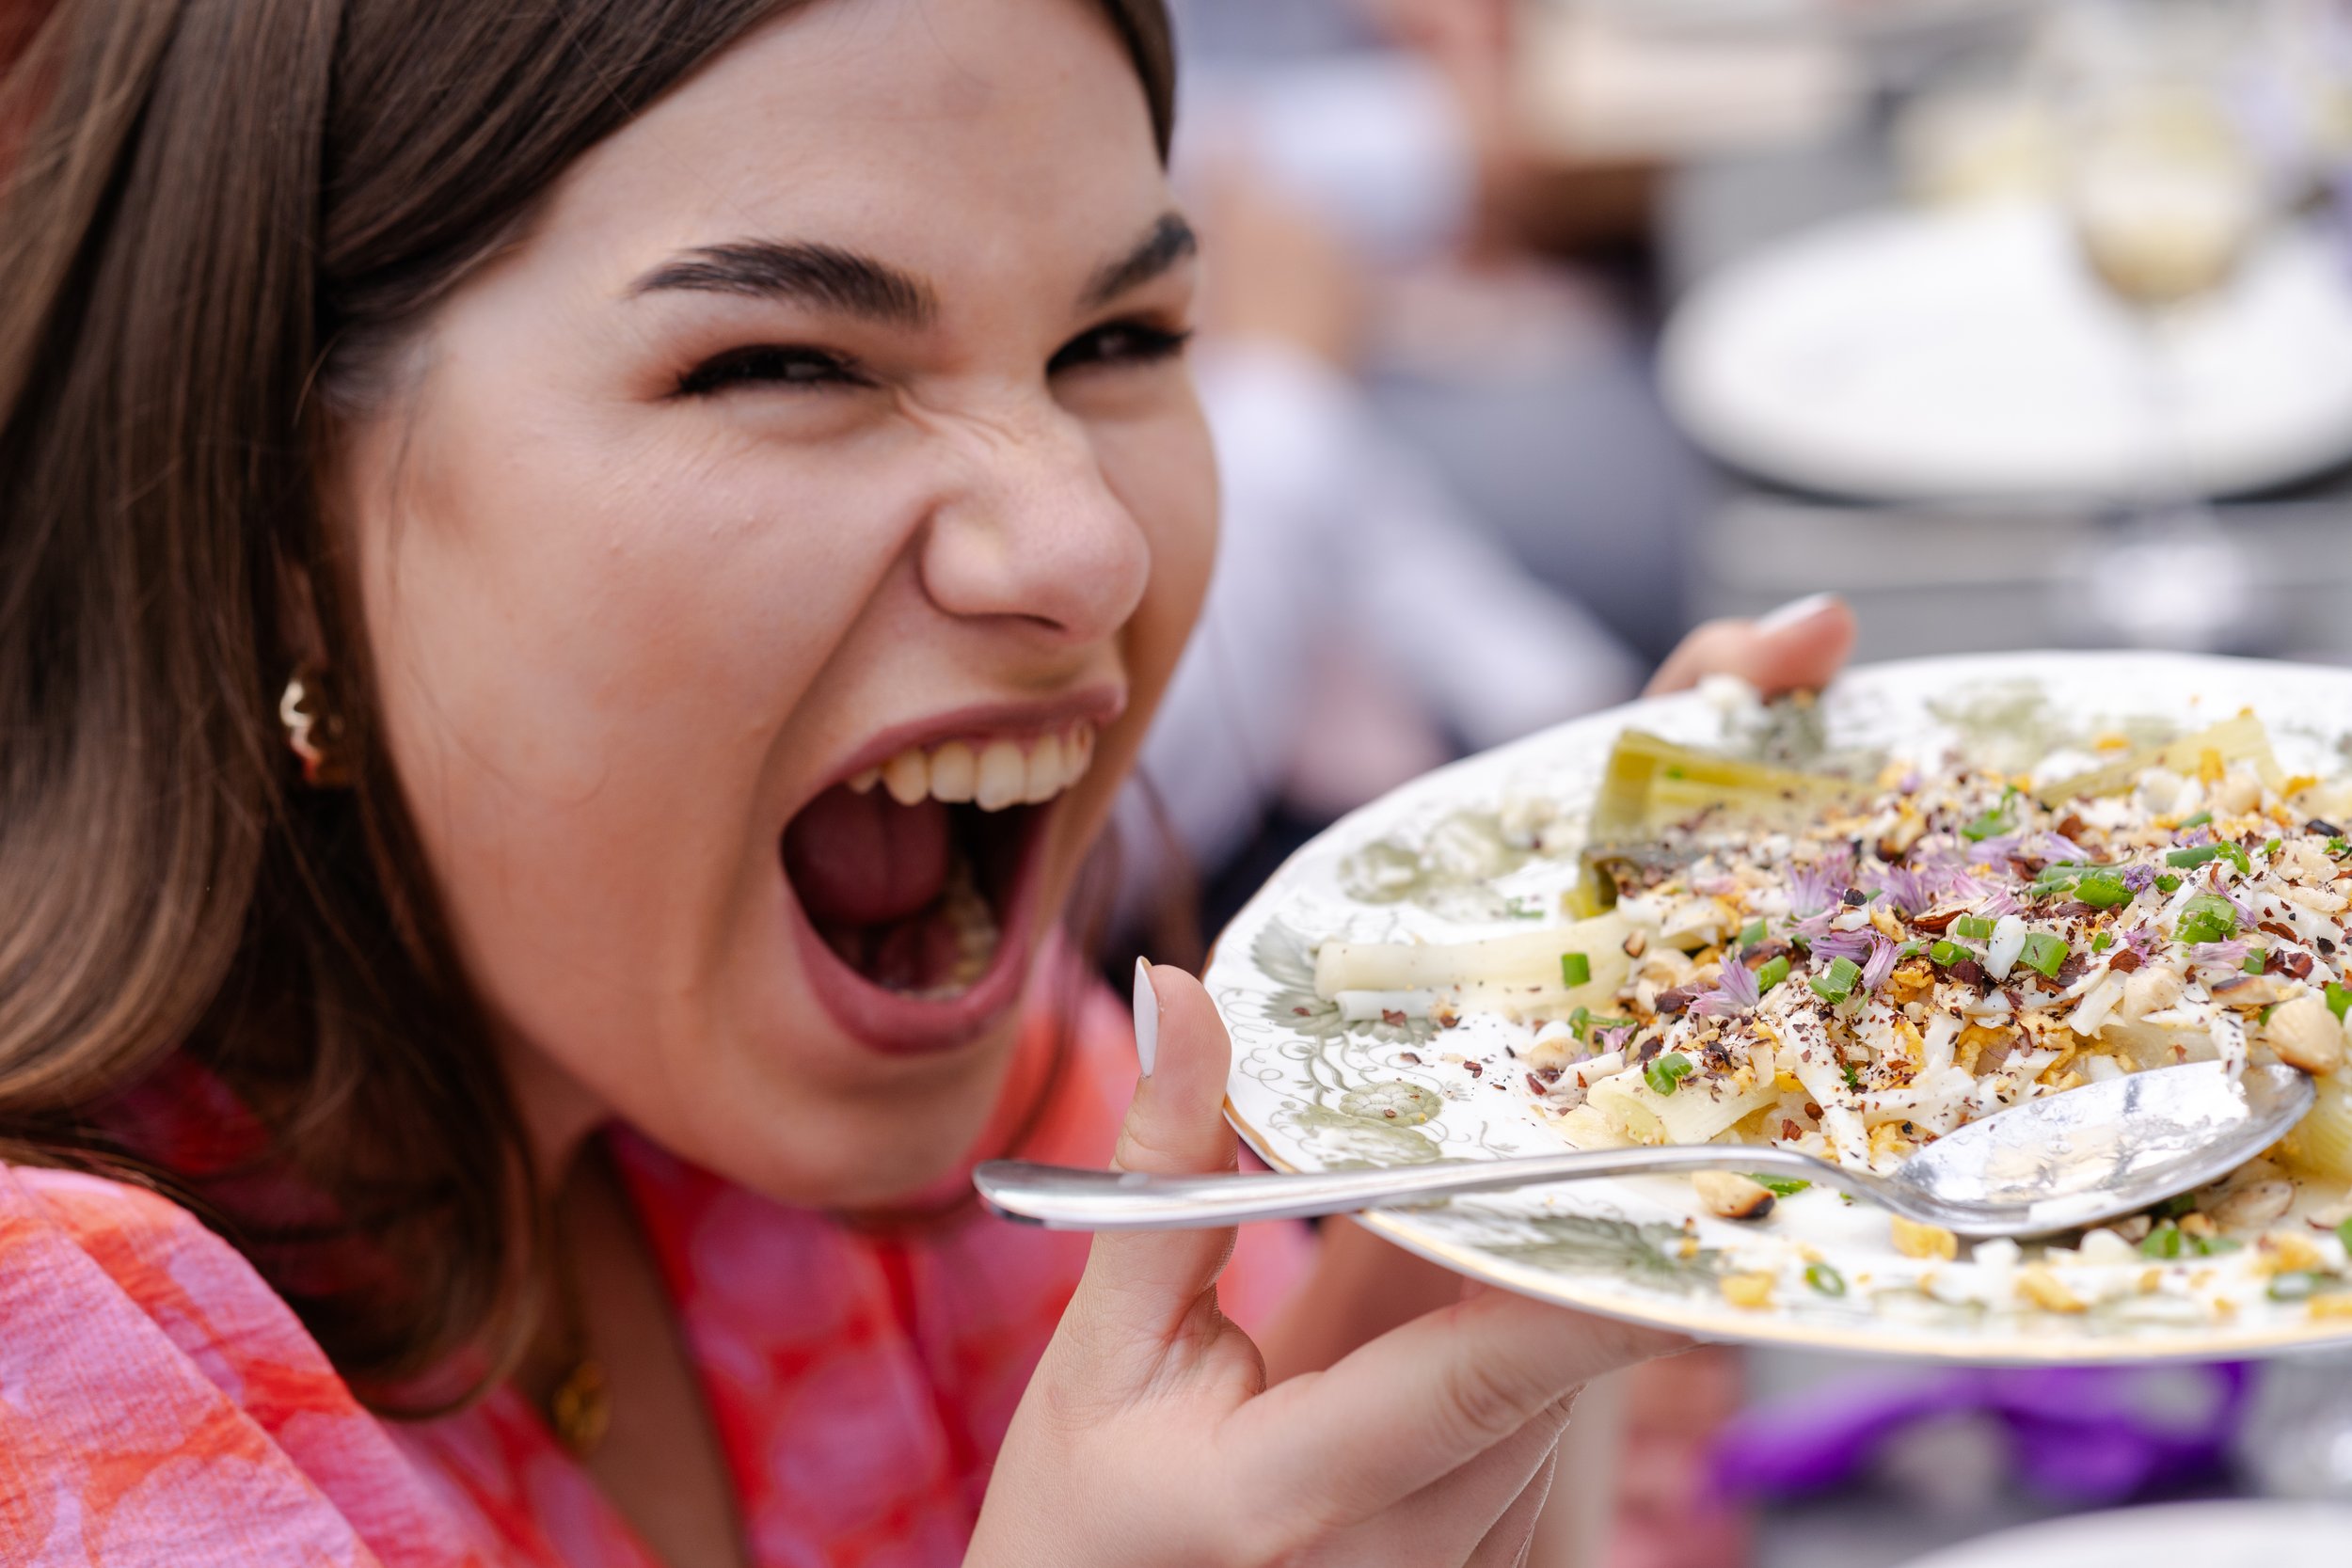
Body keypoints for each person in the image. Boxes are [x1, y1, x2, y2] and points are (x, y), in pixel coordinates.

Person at [0, 1, 1857, 1562]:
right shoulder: (51, 1378)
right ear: (273, 525)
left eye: (1117, 342)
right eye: (785, 360)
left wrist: (1473, 1284)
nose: (1083, 550)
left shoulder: (943, 1037)